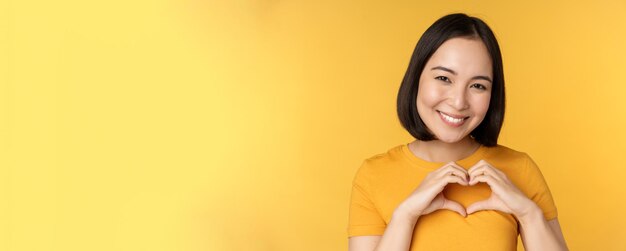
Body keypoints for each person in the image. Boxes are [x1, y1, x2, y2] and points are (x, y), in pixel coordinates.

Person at [347, 13, 568, 251]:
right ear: (416, 77)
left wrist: (529, 215)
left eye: (478, 86)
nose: (459, 101)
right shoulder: (374, 175)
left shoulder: (519, 169)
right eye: (444, 78)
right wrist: (405, 215)